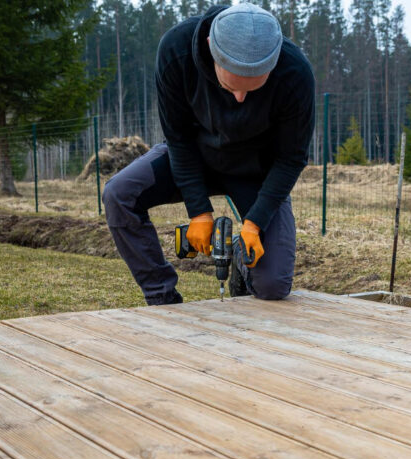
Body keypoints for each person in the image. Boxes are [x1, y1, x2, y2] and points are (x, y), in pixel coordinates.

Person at [102, 3, 315, 305]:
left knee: (273, 286)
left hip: (256, 169)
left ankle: (242, 258)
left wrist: (254, 224)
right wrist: (198, 211)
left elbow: (291, 158)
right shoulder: (176, 50)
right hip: (194, 157)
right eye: (232, 86)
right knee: (119, 194)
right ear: (210, 48)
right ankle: (161, 297)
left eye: (252, 89)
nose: (240, 99)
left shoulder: (295, 72)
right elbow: (178, 137)